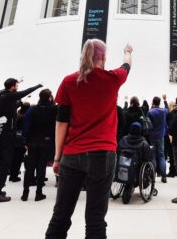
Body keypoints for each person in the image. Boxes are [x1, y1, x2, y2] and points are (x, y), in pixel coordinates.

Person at [45, 39, 132, 239]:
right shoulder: (113, 78)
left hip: (72, 154)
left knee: (60, 216)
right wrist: (127, 51)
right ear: (103, 57)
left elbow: (61, 122)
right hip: (102, 155)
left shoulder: (69, 81)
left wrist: (57, 157)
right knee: (95, 220)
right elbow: (127, 65)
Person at [0, 79, 42, 203]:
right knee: (3, 163)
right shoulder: (9, 96)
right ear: (12, 87)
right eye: (16, 85)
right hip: (6, 134)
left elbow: (16, 102)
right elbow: (25, 92)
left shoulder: (0, 96)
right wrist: (38, 85)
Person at [21, 88, 57, 201]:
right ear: (50, 97)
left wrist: (25, 140)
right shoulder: (53, 110)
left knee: (29, 168)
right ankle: (39, 193)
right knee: (42, 168)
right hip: (46, 142)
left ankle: (25, 194)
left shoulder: (32, 109)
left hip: (32, 142)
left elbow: (25, 125)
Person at [147, 95, 169, 182]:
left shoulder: (150, 112)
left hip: (152, 135)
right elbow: (168, 109)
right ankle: (164, 176)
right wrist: (165, 100)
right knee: (161, 155)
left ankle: (153, 175)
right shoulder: (163, 111)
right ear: (159, 103)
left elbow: (148, 123)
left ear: (153, 102)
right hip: (161, 136)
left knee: (153, 156)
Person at [166, 95, 177, 178]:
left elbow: (169, 126)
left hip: (173, 137)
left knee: (172, 155)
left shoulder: (171, 113)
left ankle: (172, 171)